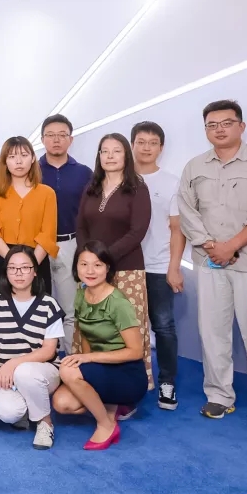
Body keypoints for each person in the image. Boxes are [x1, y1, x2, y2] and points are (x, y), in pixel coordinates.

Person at [178, 100, 247, 433]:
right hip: (210, 262)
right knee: (212, 333)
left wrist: (231, 247)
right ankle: (219, 395)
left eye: (226, 123)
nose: (219, 130)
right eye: (212, 125)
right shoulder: (194, 166)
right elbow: (188, 212)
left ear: (241, 126)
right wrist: (212, 247)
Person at [74, 133, 153, 411]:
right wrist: (88, 260)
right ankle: (89, 383)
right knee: (92, 325)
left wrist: (103, 260)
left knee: (125, 331)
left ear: (126, 155)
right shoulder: (91, 186)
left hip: (126, 268)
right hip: (92, 271)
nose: (109, 156)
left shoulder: (137, 187)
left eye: (116, 151)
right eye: (104, 151)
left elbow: (137, 231)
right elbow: (81, 226)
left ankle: (127, 393)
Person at [51, 242, 147, 450]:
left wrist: (88, 359)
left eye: (97, 265)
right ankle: (111, 406)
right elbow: (86, 334)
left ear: (107, 268)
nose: (90, 271)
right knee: (61, 403)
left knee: (67, 370)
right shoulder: (81, 294)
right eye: (84, 264)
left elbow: (135, 351)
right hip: (102, 368)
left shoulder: (117, 302)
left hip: (127, 373)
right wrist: (87, 370)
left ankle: (106, 424)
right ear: (76, 267)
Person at [0, 245, 65, 450]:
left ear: (34, 272)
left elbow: (49, 350)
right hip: (6, 377)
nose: (18, 273)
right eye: (12, 268)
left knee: (25, 372)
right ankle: (28, 412)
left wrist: (13, 364)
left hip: (43, 372)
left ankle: (45, 423)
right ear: (6, 272)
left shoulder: (49, 304)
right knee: (7, 412)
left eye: (25, 267)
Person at [131, 121, 184, 410]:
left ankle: (167, 381)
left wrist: (174, 267)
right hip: (126, 266)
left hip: (158, 264)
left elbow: (177, 229)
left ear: (161, 148)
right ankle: (130, 383)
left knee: (163, 326)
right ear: (132, 145)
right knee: (125, 327)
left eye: (153, 143)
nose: (146, 148)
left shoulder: (171, 182)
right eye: (141, 142)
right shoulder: (120, 178)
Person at [38, 114, 93, 353]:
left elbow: (91, 211)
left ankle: (71, 360)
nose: (56, 140)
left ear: (71, 139)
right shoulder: (31, 170)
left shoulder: (84, 173)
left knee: (70, 309)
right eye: (50, 135)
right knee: (38, 308)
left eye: (62, 135)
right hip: (37, 246)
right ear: (42, 139)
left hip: (70, 244)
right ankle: (41, 360)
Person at [0, 136, 58, 294]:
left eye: (24, 155)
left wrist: (29, 265)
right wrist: (12, 263)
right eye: (12, 156)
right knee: (5, 307)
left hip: (37, 259)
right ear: (4, 161)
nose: (18, 161)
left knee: (37, 307)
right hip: (4, 258)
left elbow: (48, 235)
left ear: (33, 158)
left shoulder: (47, 193)